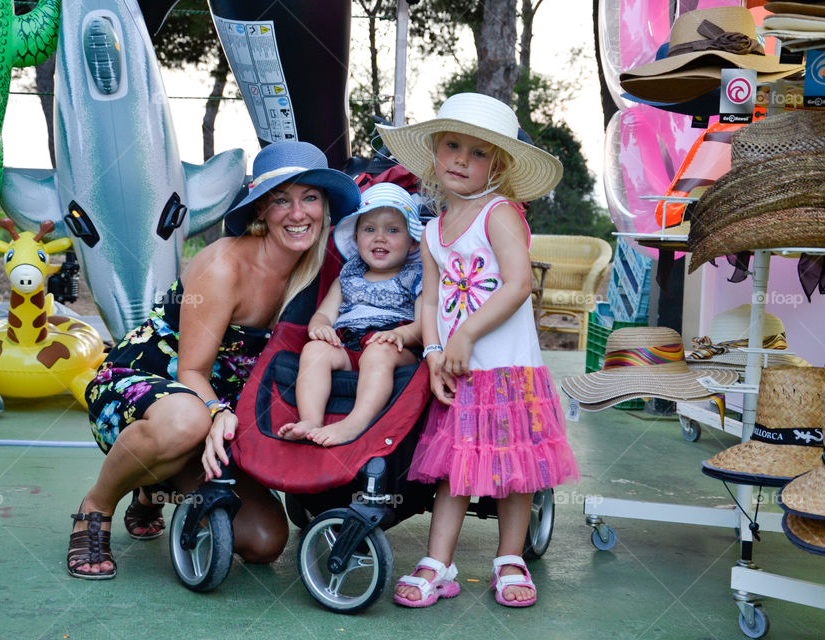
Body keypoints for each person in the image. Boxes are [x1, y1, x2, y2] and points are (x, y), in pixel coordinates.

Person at [67, 141, 361, 579]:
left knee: (264, 542)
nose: (298, 213)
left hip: (222, 414)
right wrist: (216, 410)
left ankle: (153, 486)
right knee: (185, 422)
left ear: (326, 206)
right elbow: (191, 371)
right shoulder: (225, 265)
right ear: (261, 209)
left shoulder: (323, 274)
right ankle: (97, 506)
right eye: (282, 199)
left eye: (310, 198)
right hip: (146, 388)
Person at [378, 93, 579, 607]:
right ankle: (439, 561)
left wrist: (465, 334)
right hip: (459, 371)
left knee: (516, 469)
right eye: (452, 146)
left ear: (500, 164)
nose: (462, 160)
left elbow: (516, 285)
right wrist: (434, 352)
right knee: (456, 468)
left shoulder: (498, 214)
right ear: (434, 153)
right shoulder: (431, 230)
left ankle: (509, 558)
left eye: (479, 151)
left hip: (508, 369)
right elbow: (429, 297)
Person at [278, 182, 424, 446]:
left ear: (413, 242)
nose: (380, 237)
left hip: (394, 347)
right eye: (369, 229)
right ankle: (310, 418)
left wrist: (401, 334)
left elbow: (426, 323)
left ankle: (355, 423)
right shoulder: (348, 276)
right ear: (356, 239)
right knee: (314, 351)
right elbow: (324, 314)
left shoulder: (415, 276)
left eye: (393, 230)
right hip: (347, 345)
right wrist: (320, 327)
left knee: (378, 353)